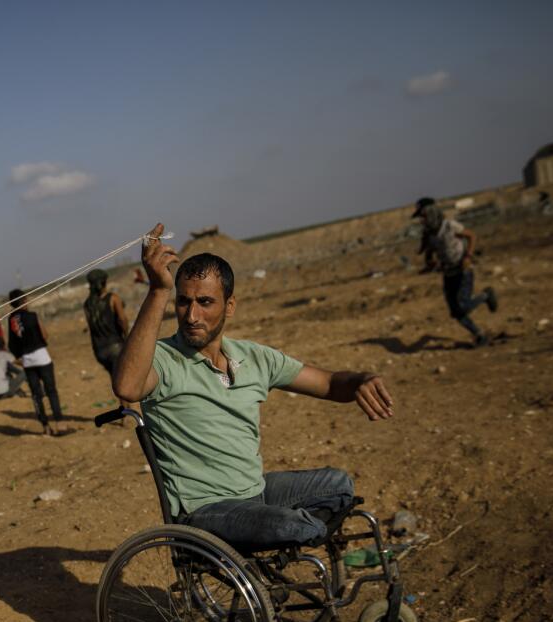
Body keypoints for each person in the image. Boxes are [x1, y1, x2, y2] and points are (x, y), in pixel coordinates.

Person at [111, 223, 394, 549]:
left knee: (339, 484)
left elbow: (328, 382)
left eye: (205, 302)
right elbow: (128, 387)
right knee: (295, 527)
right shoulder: (162, 358)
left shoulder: (254, 357)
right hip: (206, 510)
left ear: (229, 306)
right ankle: (302, 534)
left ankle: (298, 532)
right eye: (183, 302)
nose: (191, 315)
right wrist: (158, 291)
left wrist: (360, 380)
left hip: (255, 492)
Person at [413, 197, 498, 348]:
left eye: (423, 216)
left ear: (431, 213)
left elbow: (471, 236)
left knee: (463, 305)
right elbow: (429, 254)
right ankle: (479, 335)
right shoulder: (429, 234)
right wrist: (430, 264)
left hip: (463, 270)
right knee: (455, 312)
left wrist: (468, 256)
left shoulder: (450, 226)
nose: (422, 220)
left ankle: (486, 295)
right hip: (448, 274)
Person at [7, 288, 64, 435]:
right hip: (41, 356)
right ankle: (60, 424)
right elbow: (45, 335)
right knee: (51, 390)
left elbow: (12, 344)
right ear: (24, 301)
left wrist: (19, 355)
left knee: (36, 394)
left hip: (27, 360)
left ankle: (45, 426)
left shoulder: (11, 320)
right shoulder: (32, 316)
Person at [83, 269, 130, 377]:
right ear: (104, 282)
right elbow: (122, 319)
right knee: (126, 379)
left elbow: (91, 325)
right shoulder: (113, 298)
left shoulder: (87, 304)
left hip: (99, 351)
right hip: (115, 347)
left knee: (115, 379)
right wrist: (126, 336)